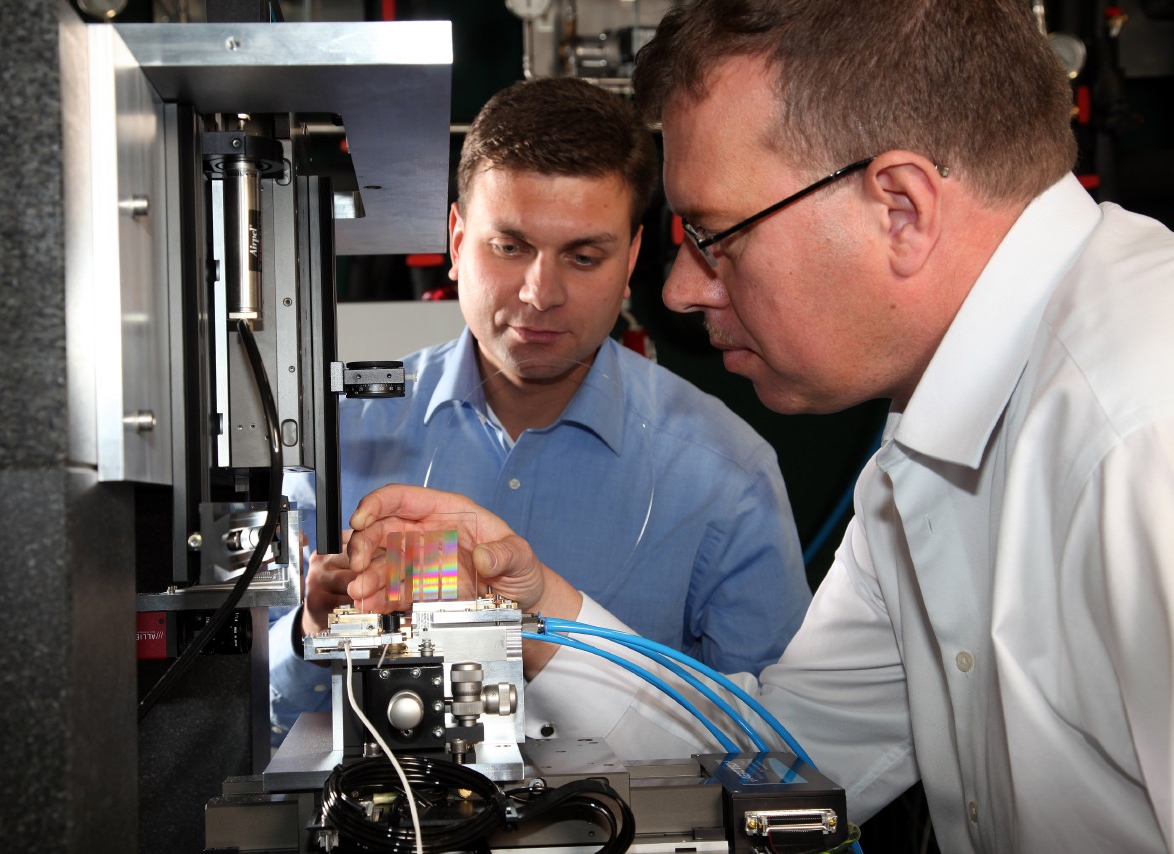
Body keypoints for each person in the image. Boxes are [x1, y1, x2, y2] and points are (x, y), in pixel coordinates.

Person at [339, 1, 1174, 851]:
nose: (680, 292)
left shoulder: (1144, 430)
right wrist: (535, 608)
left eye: (715, 237)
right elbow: (777, 762)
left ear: (901, 209)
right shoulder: (925, 451)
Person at [268, 76, 812, 743]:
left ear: (633, 257)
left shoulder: (727, 479)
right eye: (510, 247)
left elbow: (771, 752)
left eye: (583, 256)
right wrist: (309, 631)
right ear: (457, 238)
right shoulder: (340, 436)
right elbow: (253, 696)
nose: (540, 292)